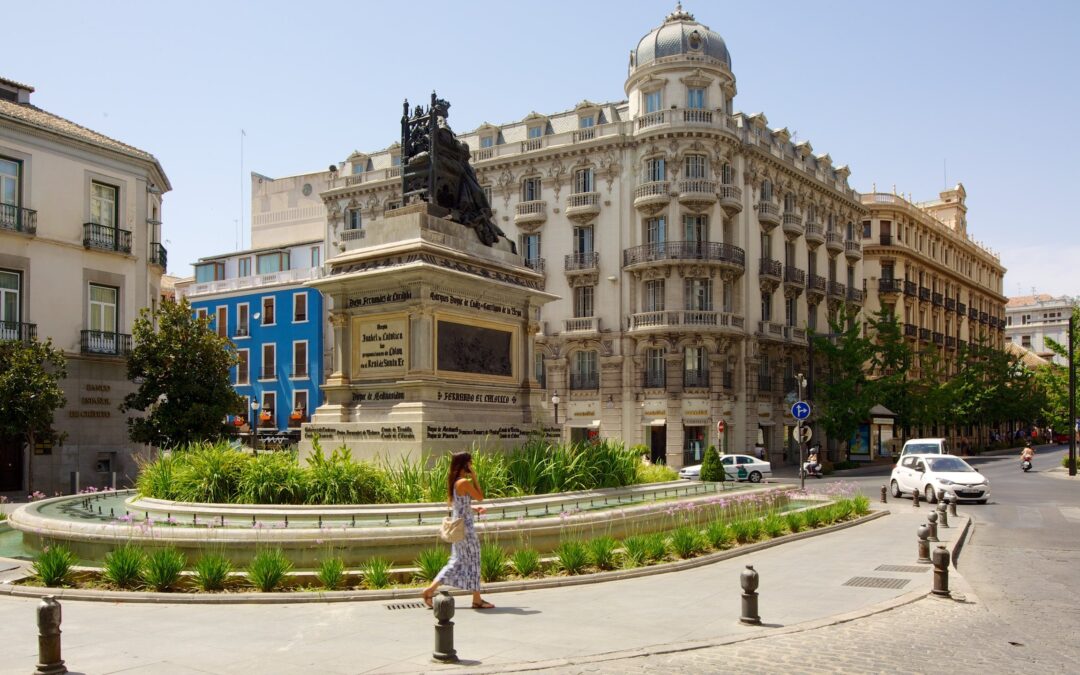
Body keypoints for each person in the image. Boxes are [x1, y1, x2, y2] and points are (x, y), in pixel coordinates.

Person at [422, 452, 494, 610]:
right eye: (470, 463)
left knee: (457, 561)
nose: (471, 466)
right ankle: (476, 600)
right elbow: (480, 496)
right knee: (474, 560)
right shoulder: (464, 482)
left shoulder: (455, 482)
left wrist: (474, 509)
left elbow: (460, 507)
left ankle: (430, 590)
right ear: (464, 465)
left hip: (460, 529)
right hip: (466, 530)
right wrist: (474, 476)